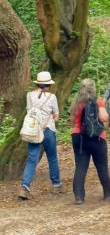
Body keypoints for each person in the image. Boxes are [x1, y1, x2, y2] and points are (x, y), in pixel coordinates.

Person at [18, 71, 63, 200]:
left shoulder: (29, 95)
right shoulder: (52, 97)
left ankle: (24, 187)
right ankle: (56, 185)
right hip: (48, 130)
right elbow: (56, 116)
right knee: (52, 157)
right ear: (49, 84)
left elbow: (29, 112)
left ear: (37, 83)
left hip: (33, 130)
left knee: (32, 158)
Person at [70, 78, 110, 204]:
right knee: (102, 166)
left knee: (80, 167)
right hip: (97, 137)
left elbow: (72, 119)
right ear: (93, 88)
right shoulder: (98, 101)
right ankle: (108, 193)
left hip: (78, 137)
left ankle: (79, 196)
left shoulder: (76, 102)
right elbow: (104, 117)